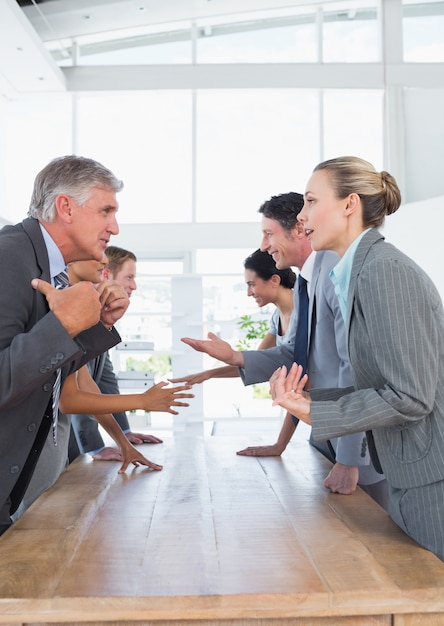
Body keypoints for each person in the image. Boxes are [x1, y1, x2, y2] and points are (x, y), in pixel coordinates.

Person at [271, 156, 444, 561]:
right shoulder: (358, 271)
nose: (302, 215)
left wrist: (317, 413)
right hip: (415, 472)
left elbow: (410, 395)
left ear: (350, 205)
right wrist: (310, 403)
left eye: (311, 201)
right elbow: (386, 384)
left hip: (431, 476)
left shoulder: (384, 271)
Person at [180, 192, 386, 505]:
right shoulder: (306, 282)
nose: (264, 246)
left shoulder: (334, 271)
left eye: (268, 233)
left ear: (299, 229)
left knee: (386, 543)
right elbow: (294, 356)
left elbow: (354, 366)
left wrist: (348, 459)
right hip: (325, 434)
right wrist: (235, 357)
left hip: (361, 448)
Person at [0, 154, 131, 535]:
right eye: (106, 210)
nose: (115, 227)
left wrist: (95, 326)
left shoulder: (47, 267)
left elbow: (47, 374)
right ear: (65, 208)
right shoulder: (9, 258)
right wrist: (64, 324)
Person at [68, 246, 170, 462]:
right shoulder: (79, 312)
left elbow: (105, 381)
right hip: (62, 435)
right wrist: (96, 448)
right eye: (129, 277)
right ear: (106, 274)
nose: (134, 285)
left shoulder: (103, 316)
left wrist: (124, 434)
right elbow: (78, 391)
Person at [170, 248, 296, 385]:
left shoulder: (305, 311)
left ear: (274, 280)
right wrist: (209, 374)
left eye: (252, 285)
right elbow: (255, 362)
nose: (249, 293)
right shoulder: (277, 318)